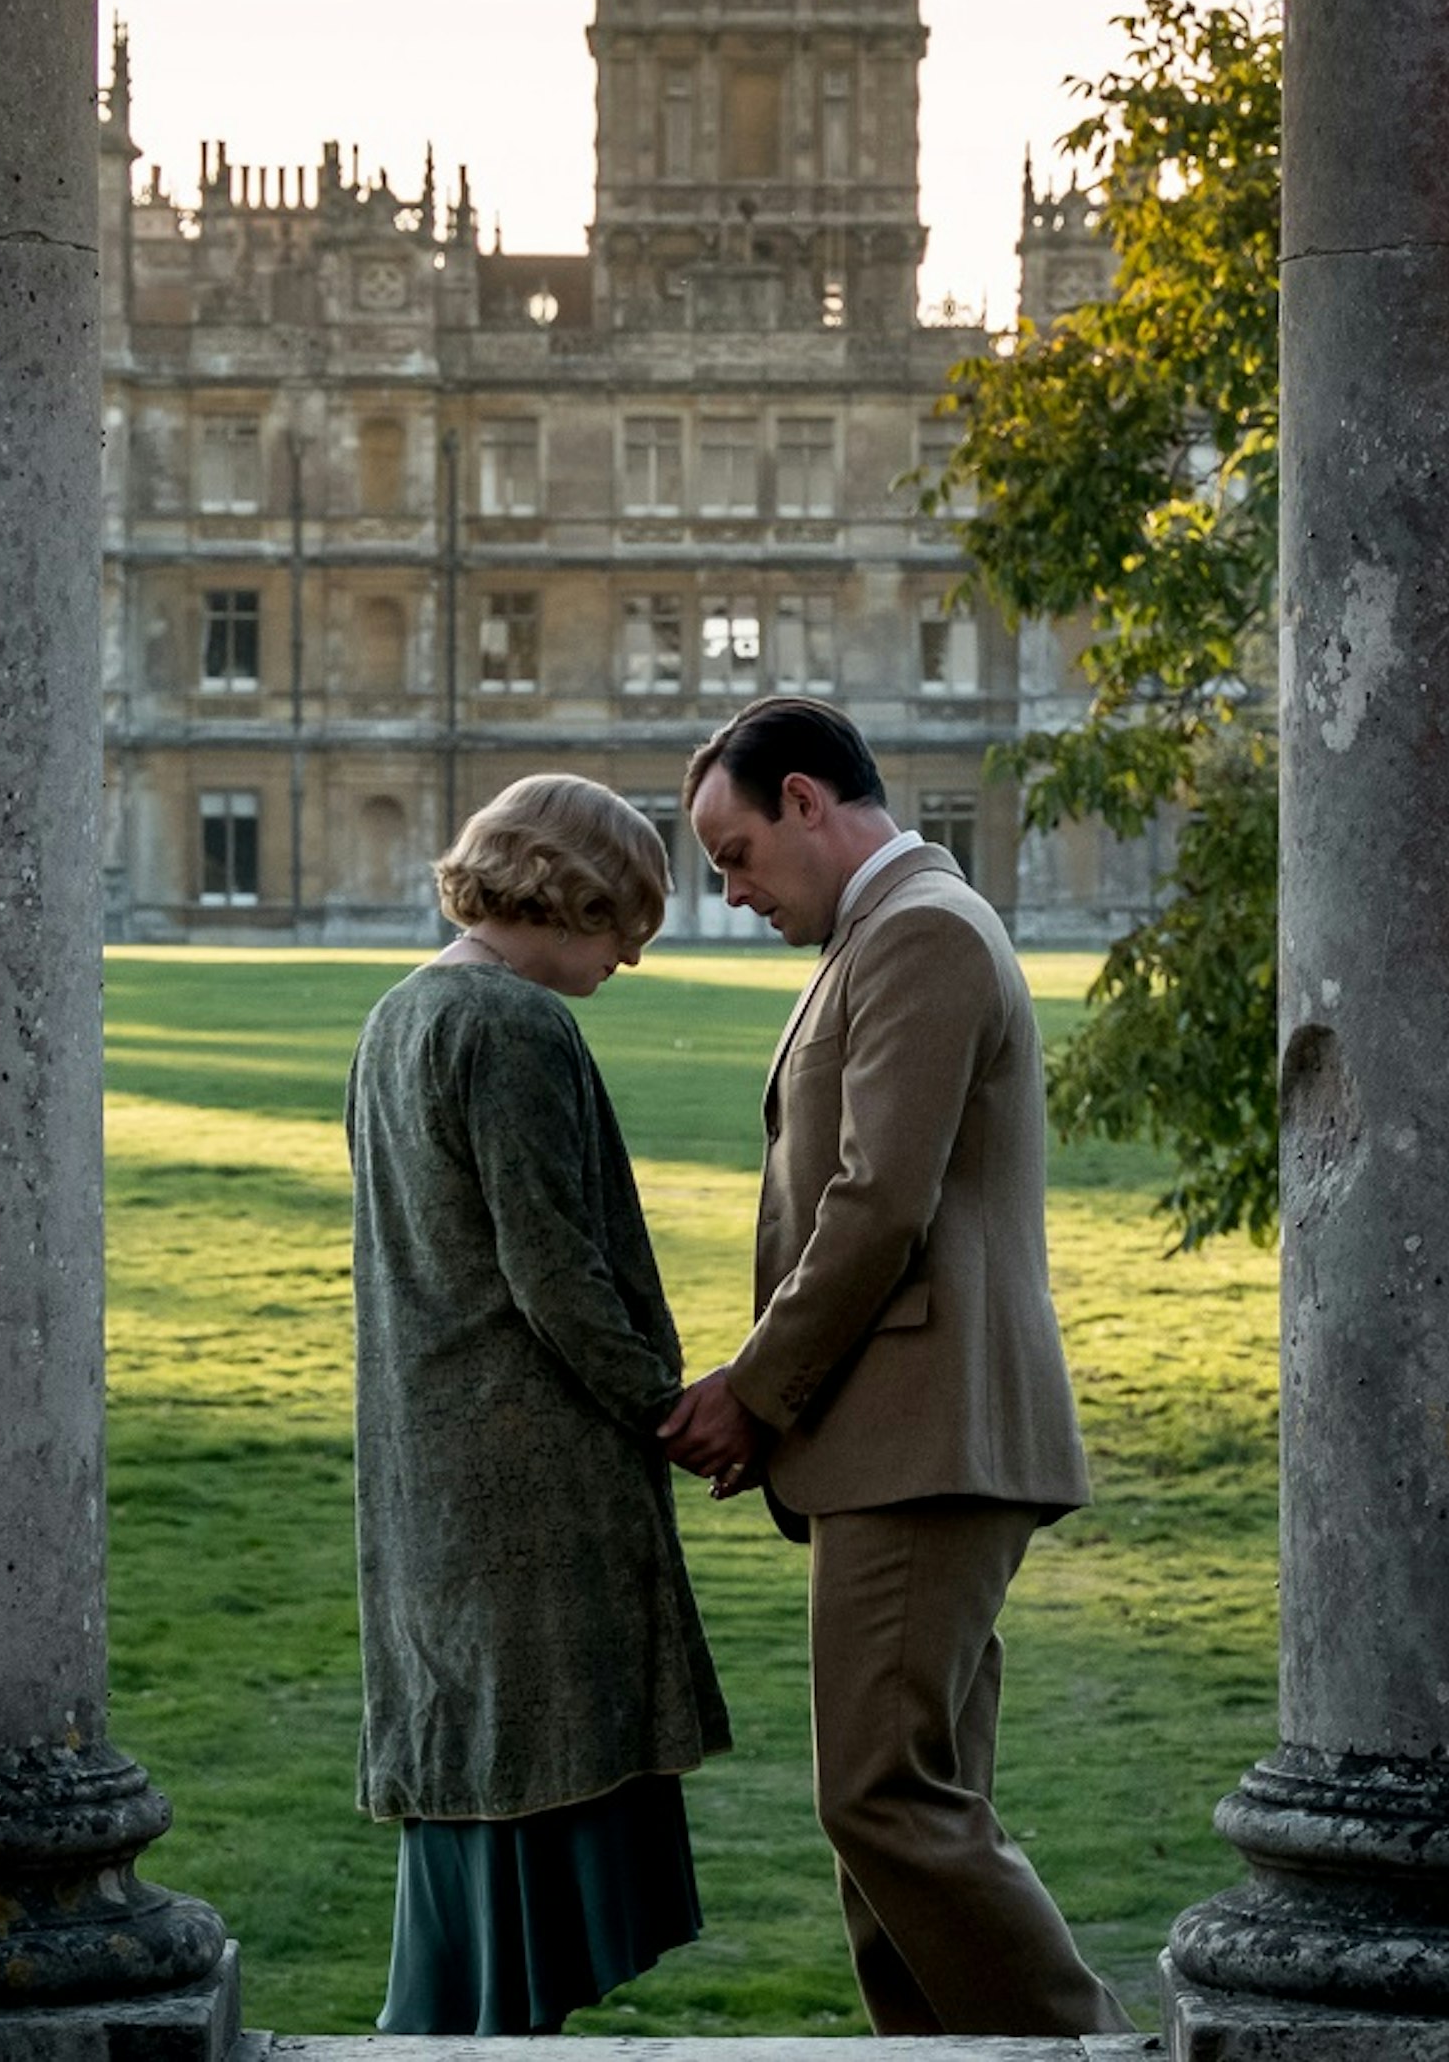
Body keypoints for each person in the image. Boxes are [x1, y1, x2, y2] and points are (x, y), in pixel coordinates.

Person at [656, 698, 1131, 2035]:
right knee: (903, 1821)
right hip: (911, 1431)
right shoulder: (895, 923)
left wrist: (754, 1387)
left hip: (933, 1435)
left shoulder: (919, 927)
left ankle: (1088, 2042)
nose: (733, 889)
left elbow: (877, 1205)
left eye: (736, 851)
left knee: (885, 1800)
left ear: (807, 799)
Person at [347, 772, 732, 2036]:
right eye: (626, 918)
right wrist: (665, 1408)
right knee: (527, 1764)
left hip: (430, 1466)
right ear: (569, 894)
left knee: (473, 1766)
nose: (632, 951)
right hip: (527, 1473)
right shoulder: (510, 1024)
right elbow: (552, 1265)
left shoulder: (399, 1012)